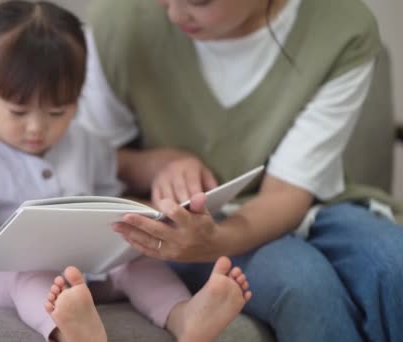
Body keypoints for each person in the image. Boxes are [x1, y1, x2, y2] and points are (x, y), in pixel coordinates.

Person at [0, 1, 251, 341]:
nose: (36, 128)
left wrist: (150, 213)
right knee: (29, 275)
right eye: (18, 112)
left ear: (78, 98)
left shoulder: (85, 144)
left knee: (140, 262)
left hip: (87, 270)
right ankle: (69, 331)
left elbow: (109, 200)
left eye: (57, 112)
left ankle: (184, 317)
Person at [78, 0, 403, 341]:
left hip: (312, 204)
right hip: (182, 220)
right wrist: (161, 163)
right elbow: (90, 158)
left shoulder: (342, 28)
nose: (173, 14)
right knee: (304, 283)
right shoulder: (119, 19)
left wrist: (214, 242)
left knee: (395, 265)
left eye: (198, 1)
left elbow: (286, 193)